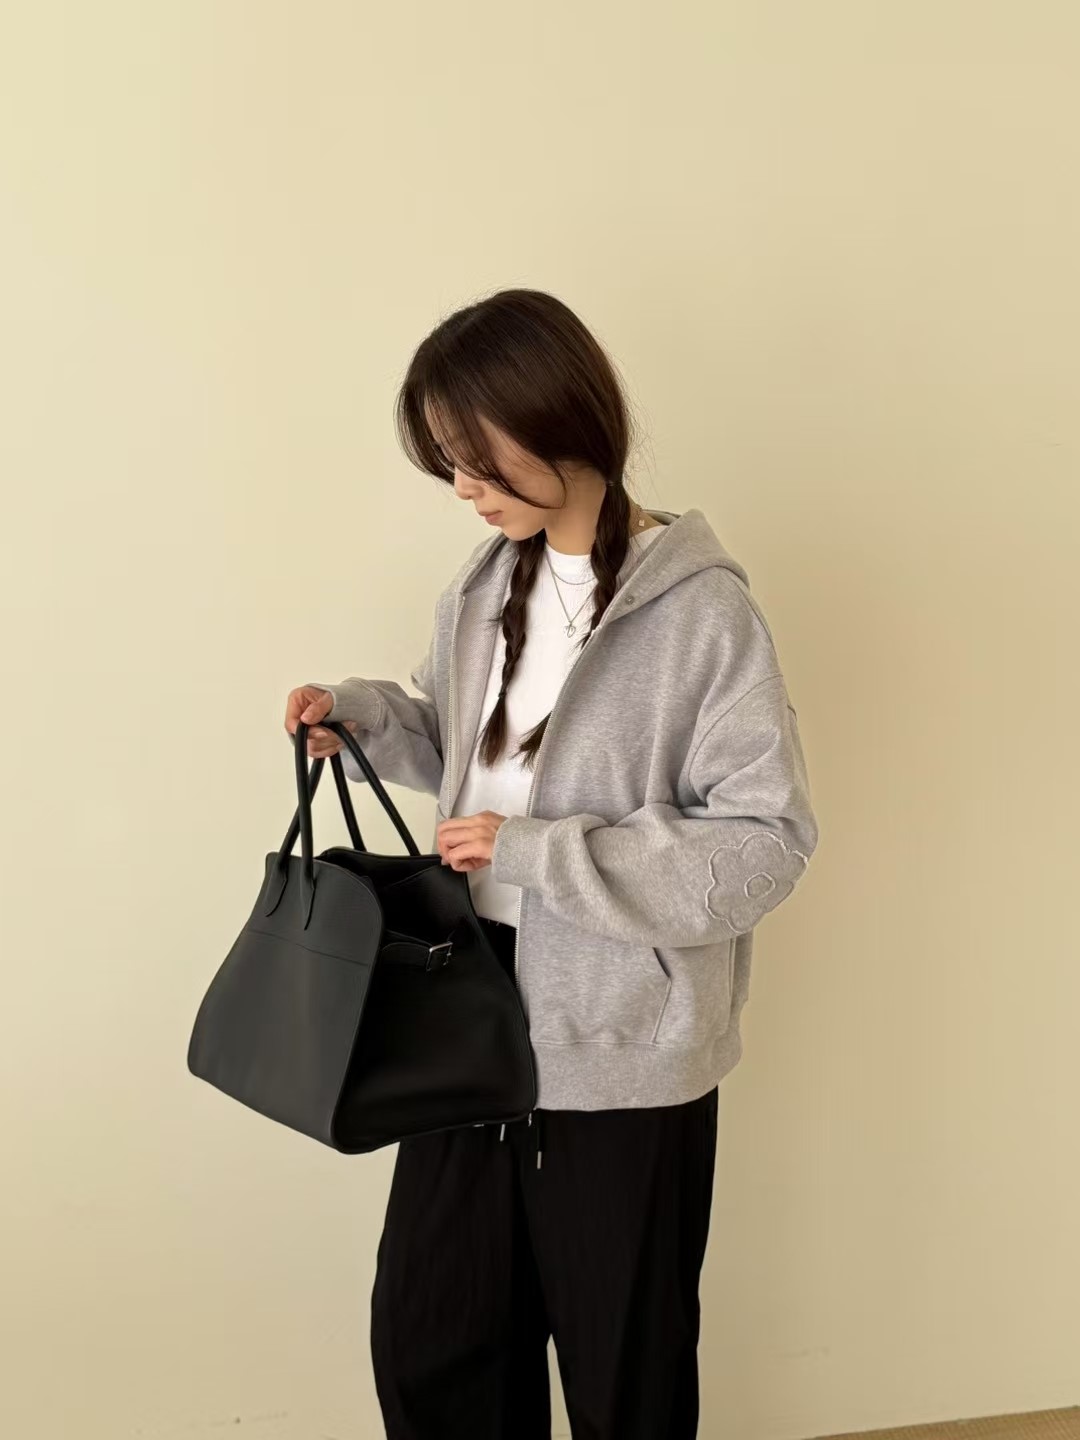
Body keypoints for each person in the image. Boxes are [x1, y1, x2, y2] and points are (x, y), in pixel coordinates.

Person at [284, 287, 819, 1439]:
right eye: (445, 463)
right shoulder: (486, 587)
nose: (461, 486)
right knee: (436, 1345)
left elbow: (764, 844)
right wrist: (365, 718)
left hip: (623, 1047)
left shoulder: (700, 617)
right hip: (467, 1012)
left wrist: (540, 856)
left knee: (625, 1370)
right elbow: (466, 747)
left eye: (473, 456)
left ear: (556, 418)